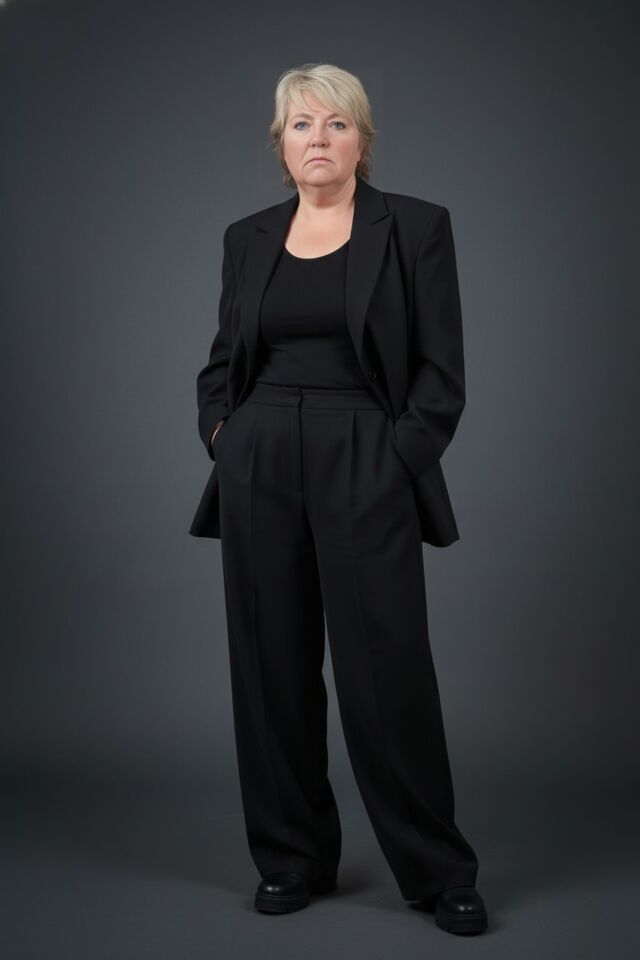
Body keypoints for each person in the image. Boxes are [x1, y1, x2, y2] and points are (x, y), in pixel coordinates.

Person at [189, 62, 488, 936]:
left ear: (362, 139)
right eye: (300, 125)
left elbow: (441, 372)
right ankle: (291, 857)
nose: (317, 139)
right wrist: (224, 436)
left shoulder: (417, 227)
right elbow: (222, 363)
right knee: (270, 665)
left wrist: (397, 461)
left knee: (386, 669)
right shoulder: (247, 237)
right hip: (258, 458)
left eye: (335, 124)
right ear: (281, 146)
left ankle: (438, 871)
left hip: (366, 450)